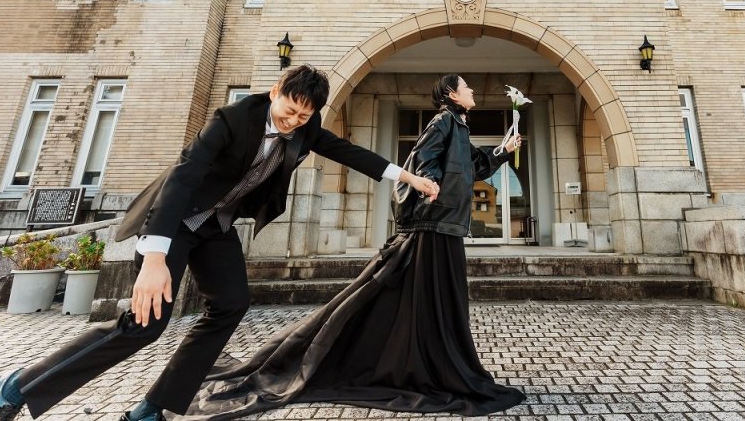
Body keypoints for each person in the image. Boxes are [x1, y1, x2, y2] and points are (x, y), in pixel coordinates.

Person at [0, 65, 439, 421]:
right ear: (275, 91)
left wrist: (408, 177)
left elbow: (348, 151)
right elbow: (183, 177)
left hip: (214, 227)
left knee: (232, 303)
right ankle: (16, 388)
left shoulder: (306, 128)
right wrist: (154, 256)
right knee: (143, 326)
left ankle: (153, 407)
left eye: (304, 115)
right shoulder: (232, 119)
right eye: (289, 110)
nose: (295, 121)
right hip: (173, 223)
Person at [177, 74, 527, 419]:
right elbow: (421, 161)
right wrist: (428, 186)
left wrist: (501, 150)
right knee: (410, 295)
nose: (472, 91)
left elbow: (472, 168)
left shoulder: (460, 127)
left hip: (447, 225)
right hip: (433, 224)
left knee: (429, 299)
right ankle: (411, 363)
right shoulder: (442, 122)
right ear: (451, 93)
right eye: (467, 87)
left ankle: (424, 361)